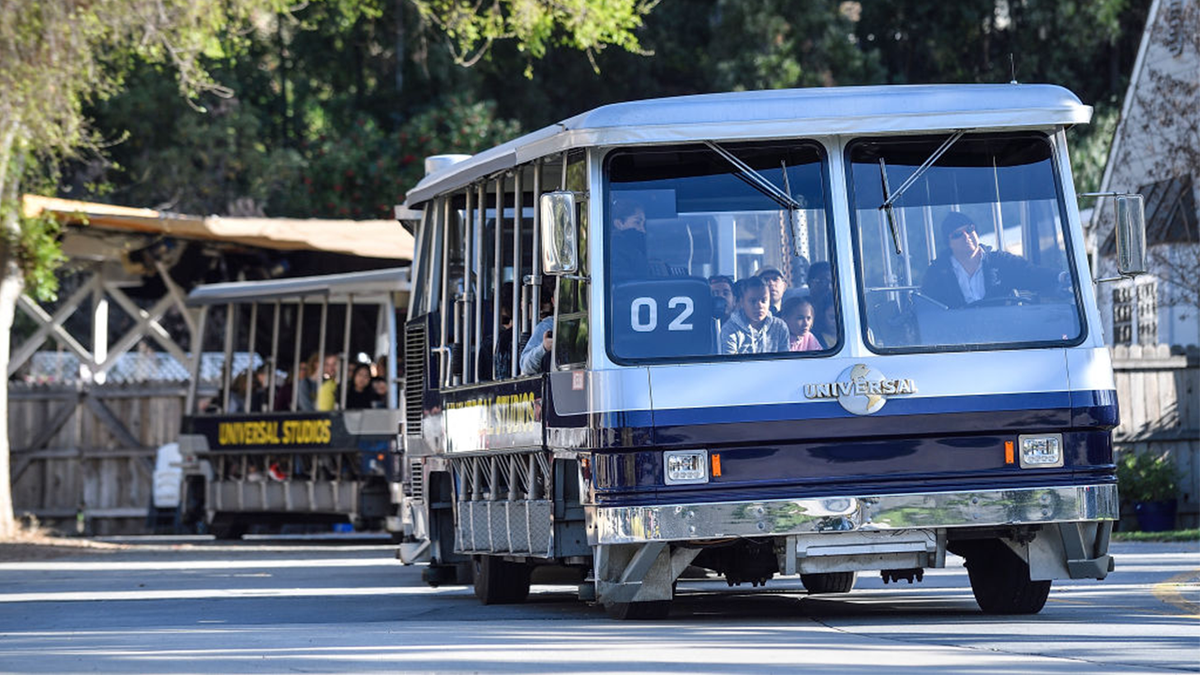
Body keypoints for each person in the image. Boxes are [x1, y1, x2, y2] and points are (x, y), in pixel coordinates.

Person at [920, 212, 1065, 308]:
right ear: (948, 243)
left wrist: (1062, 277)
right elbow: (928, 309)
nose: (966, 236)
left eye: (970, 229)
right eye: (958, 234)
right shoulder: (937, 273)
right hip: (958, 343)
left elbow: (1030, 273)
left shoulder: (1001, 262)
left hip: (1002, 338)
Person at [719, 276, 790, 355]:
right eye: (753, 301)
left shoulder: (779, 326)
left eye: (763, 300)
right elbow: (730, 363)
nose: (759, 306)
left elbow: (784, 361)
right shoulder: (730, 329)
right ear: (742, 302)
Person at [609, 197, 649, 281]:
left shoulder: (630, 250)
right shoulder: (615, 252)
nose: (643, 230)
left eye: (643, 224)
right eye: (637, 222)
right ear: (619, 224)